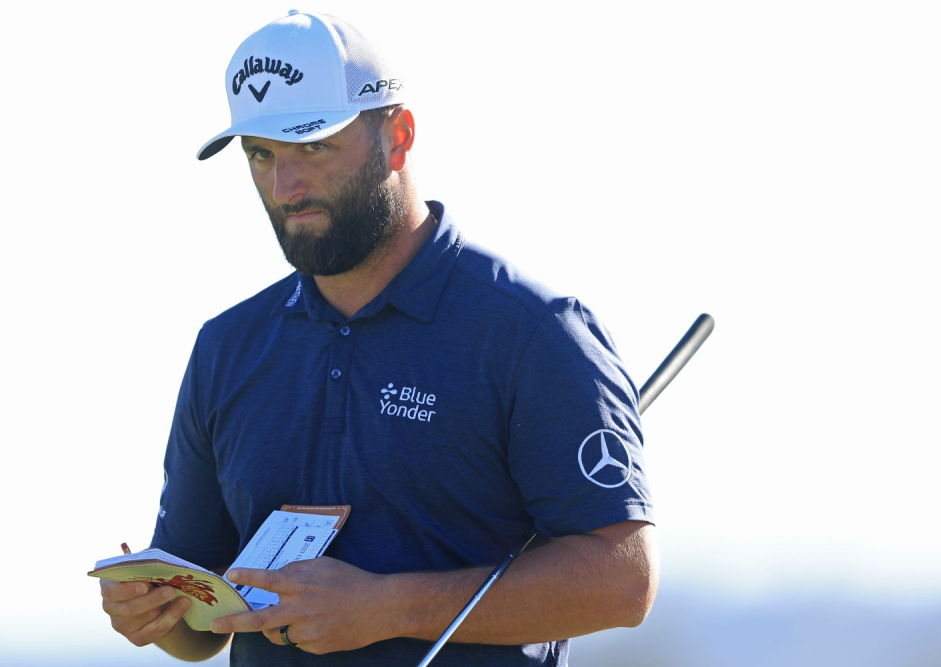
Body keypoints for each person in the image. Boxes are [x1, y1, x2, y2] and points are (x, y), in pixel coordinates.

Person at [99, 11, 657, 666]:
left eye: (312, 145)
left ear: (397, 136)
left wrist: (387, 605)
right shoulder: (226, 348)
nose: (285, 186)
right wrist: (156, 612)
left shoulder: (532, 333)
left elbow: (622, 580)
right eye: (261, 154)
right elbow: (203, 628)